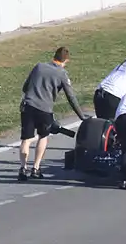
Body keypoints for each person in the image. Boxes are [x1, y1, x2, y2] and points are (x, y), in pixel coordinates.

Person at [18, 47, 88, 181]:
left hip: (28, 106)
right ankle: (36, 168)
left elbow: (25, 87)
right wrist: (81, 116)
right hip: (45, 109)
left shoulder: (38, 66)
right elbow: (71, 97)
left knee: (26, 139)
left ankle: (23, 168)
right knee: (43, 136)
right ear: (66, 60)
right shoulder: (62, 74)